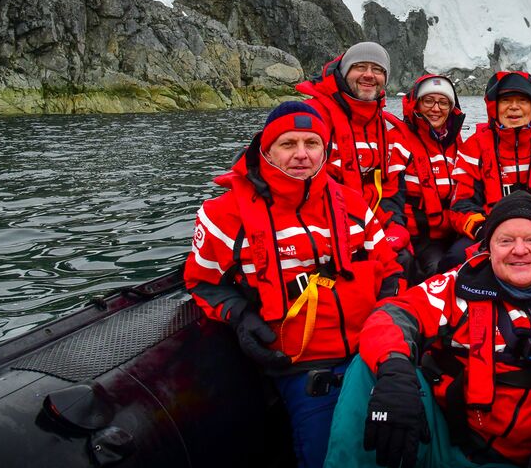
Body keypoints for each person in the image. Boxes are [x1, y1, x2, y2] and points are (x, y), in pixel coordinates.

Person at [184, 101, 405, 468]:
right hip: (302, 366)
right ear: (266, 150)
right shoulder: (223, 215)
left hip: (369, 351)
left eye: (311, 143)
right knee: (328, 456)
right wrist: (240, 316)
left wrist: (386, 329)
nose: (302, 154)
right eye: (288, 144)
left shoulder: (353, 204)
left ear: (325, 150)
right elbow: (202, 282)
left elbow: (391, 271)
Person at [325, 191, 531, 468]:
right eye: (505, 241)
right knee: (369, 367)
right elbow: (392, 315)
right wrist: (395, 372)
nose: (519, 250)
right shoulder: (459, 285)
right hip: (450, 445)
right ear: (488, 249)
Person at [445, 71, 531, 268]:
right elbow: (461, 204)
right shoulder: (474, 147)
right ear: (494, 107)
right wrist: (486, 229)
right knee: (453, 259)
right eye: (506, 100)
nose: (514, 107)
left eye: (522, 100)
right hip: (489, 232)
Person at [295, 41, 410, 254]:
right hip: (320, 231)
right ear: (344, 72)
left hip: (367, 226)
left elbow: (388, 186)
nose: (369, 75)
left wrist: (393, 225)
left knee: (403, 259)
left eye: (378, 70)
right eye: (360, 67)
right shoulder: (310, 115)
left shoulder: (380, 124)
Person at [381, 74, 466, 281]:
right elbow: (390, 195)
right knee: (436, 270)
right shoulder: (398, 140)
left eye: (443, 102)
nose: (436, 108)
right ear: (416, 104)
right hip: (415, 235)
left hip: (449, 231)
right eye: (428, 101)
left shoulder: (456, 143)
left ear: (451, 108)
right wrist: (396, 230)